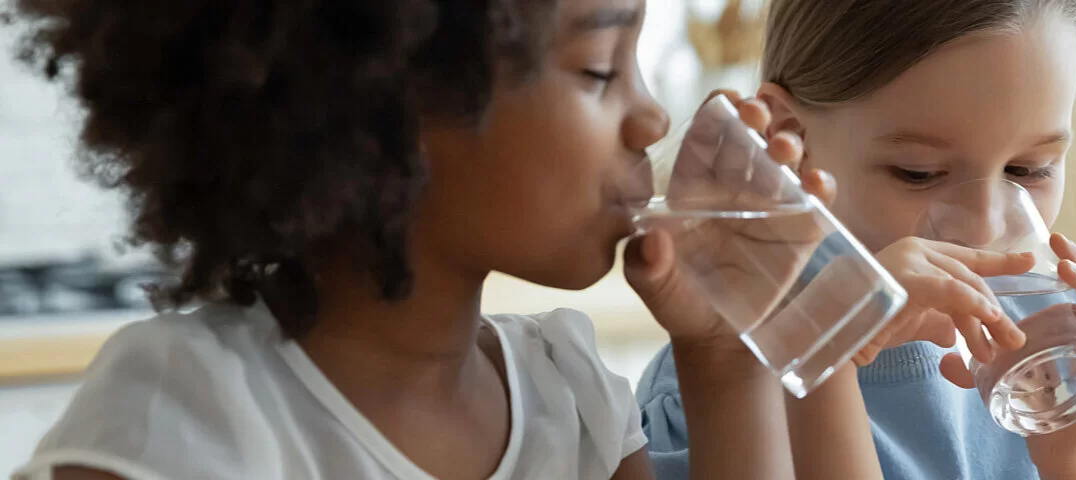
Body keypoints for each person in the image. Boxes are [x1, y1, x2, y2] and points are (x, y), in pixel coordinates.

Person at [5, 0, 925, 478]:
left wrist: (722, 356)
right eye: (601, 68)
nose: (651, 116)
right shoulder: (194, 413)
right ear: (392, 100)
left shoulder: (570, 404)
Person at [637, 0, 1076, 479]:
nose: (984, 227)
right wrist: (828, 356)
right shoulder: (722, 382)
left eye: (1028, 169)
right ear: (789, 137)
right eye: (919, 173)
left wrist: (1070, 458)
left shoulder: (1043, 356)